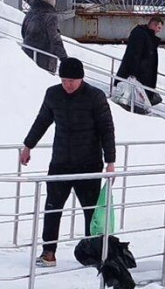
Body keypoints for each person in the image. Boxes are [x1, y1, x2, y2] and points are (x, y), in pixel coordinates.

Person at [20, 58, 116, 268]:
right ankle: (49, 252)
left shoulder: (95, 96)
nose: (68, 84)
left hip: (89, 164)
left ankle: (94, 253)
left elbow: (107, 129)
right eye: (64, 80)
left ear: (81, 78)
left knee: (91, 211)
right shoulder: (53, 94)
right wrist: (28, 146)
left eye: (72, 80)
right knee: (52, 208)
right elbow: (42, 120)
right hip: (60, 162)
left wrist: (110, 161)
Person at [115, 17, 164, 106]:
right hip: (138, 76)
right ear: (153, 25)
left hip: (140, 77)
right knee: (132, 102)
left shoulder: (146, 36)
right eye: (159, 28)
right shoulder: (141, 35)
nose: (159, 31)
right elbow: (134, 55)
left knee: (136, 101)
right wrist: (133, 74)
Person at [21, 0, 68, 74]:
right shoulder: (51, 16)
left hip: (27, 54)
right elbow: (55, 39)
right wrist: (64, 59)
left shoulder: (30, 12)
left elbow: (23, 32)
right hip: (44, 60)